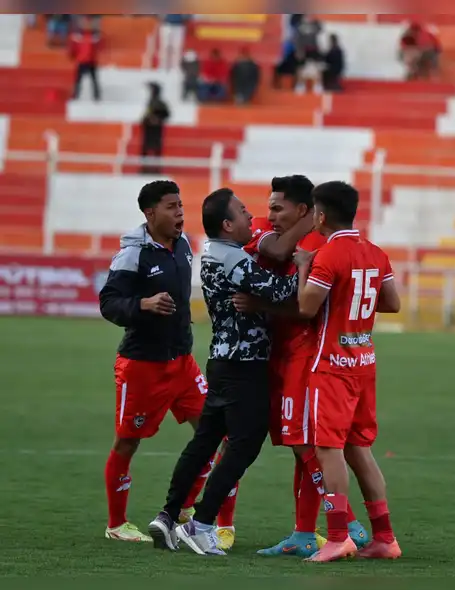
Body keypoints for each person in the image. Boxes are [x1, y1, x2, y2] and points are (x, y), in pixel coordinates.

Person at [148, 189, 300, 555]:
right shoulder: (235, 258)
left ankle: (168, 516)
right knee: (244, 444)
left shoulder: (215, 253)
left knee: (204, 443)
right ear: (228, 225)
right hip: (244, 365)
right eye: (244, 212)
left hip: (221, 361)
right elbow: (284, 290)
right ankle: (200, 524)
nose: (252, 218)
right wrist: (307, 262)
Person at [235, 176, 370, 557]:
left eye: (278, 208)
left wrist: (261, 306)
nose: (270, 214)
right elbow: (272, 250)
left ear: (304, 210)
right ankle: (304, 533)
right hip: (281, 353)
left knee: (303, 441)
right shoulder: (276, 235)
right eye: (270, 206)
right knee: (301, 444)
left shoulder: (317, 247)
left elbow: (306, 309)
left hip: (306, 355)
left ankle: (347, 525)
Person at [98, 181, 217, 542]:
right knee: (127, 443)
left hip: (182, 363)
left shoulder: (182, 245)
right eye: (171, 206)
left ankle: (184, 506)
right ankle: (116, 524)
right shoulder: (133, 254)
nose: (180, 212)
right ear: (150, 213)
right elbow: (109, 303)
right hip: (143, 366)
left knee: (214, 431)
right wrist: (142, 306)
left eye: (181, 204)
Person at [294, 181, 403, 562]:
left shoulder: (327, 254)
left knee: (329, 450)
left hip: (332, 367)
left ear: (321, 216)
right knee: (360, 449)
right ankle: (385, 538)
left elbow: (306, 307)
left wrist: (304, 269)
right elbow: (392, 303)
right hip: (363, 362)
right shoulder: (376, 253)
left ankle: (338, 536)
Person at [140, 83, 170, 175]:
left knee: (156, 149)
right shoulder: (150, 102)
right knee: (146, 149)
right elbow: (146, 115)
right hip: (149, 129)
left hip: (156, 130)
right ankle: (144, 168)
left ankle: (157, 169)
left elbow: (166, 114)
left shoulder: (161, 103)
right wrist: (145, 121)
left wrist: (157, 119)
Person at [69, 17, 101, 101]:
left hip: (88, 61)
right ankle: (78, 94)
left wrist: (72, 55)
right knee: (81, 80)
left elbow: (73, 49)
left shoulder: (90, 38)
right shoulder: (80, 37)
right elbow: (73, 48)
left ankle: (95, 95)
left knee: (91, 80)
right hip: (85, 60)